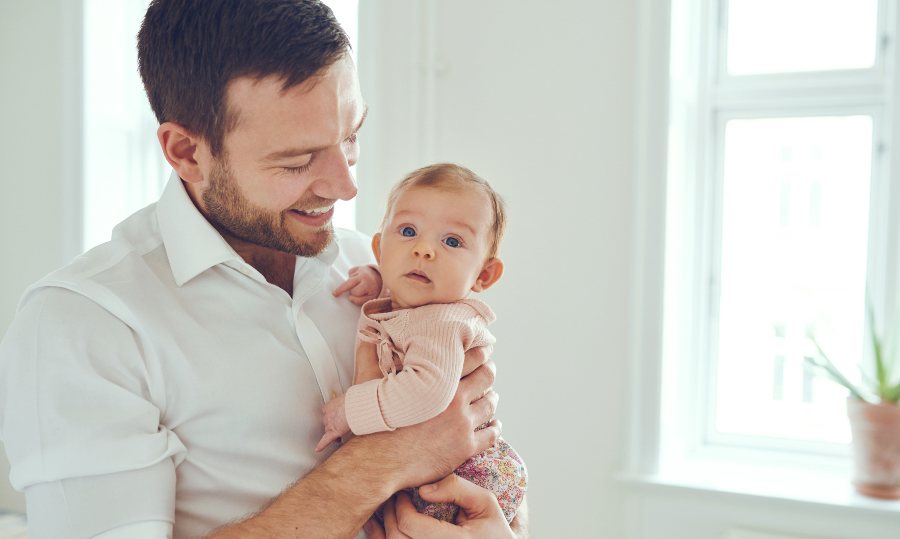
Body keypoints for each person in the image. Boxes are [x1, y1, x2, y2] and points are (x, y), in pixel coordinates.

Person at [0, 1, 528, 538]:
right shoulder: (84, 324)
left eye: (351, 137)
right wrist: (387, 458)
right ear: (186, 151)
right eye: (298, 160)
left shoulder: (377, 269)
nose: (346, 186)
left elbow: (480, 463)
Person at [320, 163, 527, 524]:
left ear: (483, 275)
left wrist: (350, 411)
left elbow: (426, 390)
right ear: (380, 248)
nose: (423, 250)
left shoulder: (444, 323)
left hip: (466, 475)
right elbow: (403, 299)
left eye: (452, 241)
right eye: (408, 231)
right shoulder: (416, 303)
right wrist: (377, 281)